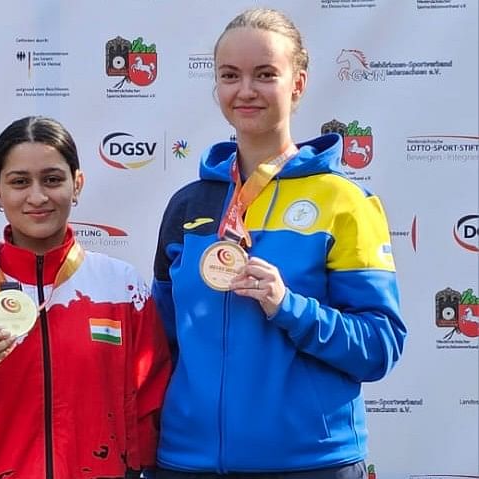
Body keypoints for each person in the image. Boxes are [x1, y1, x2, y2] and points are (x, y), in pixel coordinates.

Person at [152, 8, 407, 479]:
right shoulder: (188, 205)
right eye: (230, 75)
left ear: (299, 84)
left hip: (309, 464)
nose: (245, 90)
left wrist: (290, 306)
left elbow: (380, 345)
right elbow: (160, 343)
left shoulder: (344, 202)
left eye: (265, 74)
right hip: (187, 462)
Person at [0, 116, 172, 478]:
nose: (37, 197)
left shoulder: (122, 288)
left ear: (77, 183)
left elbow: (150, 414)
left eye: (52, 180)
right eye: (20, 182)